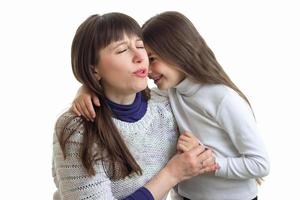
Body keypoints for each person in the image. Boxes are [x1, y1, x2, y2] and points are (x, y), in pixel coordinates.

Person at [73, 11, 270, 200]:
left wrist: (207, 160)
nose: (146, 69)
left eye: (152, 59)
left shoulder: (223, 99)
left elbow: (260, 164)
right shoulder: (170, 93)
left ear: (178, 53)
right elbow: (124, 94)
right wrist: (87, 88)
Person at [52, 12, 217, 200]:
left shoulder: (167, 106)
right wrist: (172, 174)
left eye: (140, 46)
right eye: (122, 50)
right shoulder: (77, 129)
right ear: (93, 69)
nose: (140, 56)